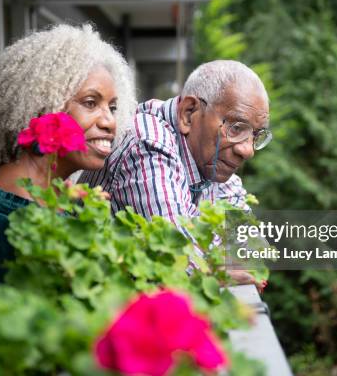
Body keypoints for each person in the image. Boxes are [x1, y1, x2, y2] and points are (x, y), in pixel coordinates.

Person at [0, 24, 136, 343]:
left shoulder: (46, 196)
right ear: (44, 106)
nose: (110, 121)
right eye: (91, 102)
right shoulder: (8, 213)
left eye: (112, 107)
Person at [80, 60, 271, 291]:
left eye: (256, 135)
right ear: (189, 113)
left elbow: (250, 249)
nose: (247, 150)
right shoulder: (147, 142)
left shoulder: (213, 155)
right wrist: (220, 261)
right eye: (237, 128)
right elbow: (180, 260)